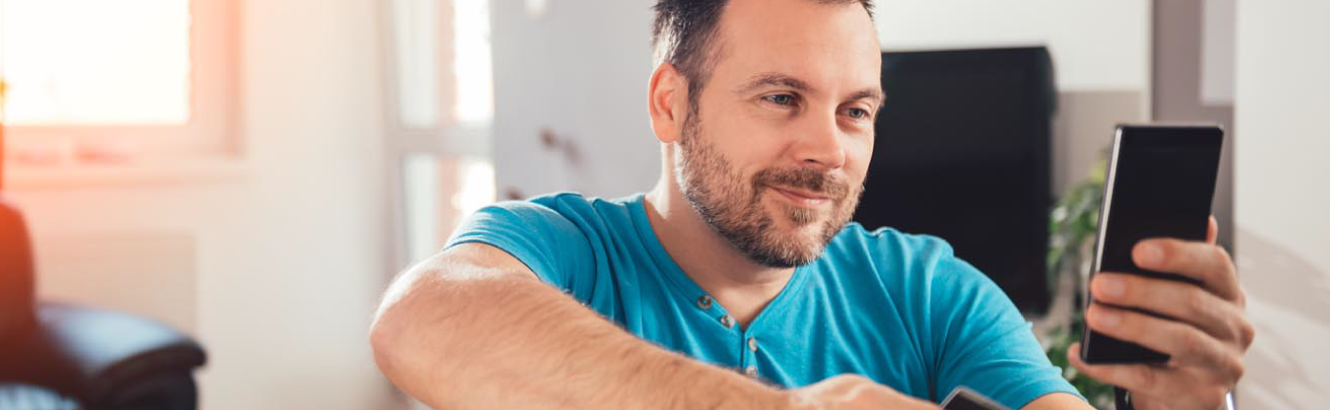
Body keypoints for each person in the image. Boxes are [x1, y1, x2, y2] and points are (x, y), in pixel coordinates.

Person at [369, 0, 1254, 408]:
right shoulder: (563, 251)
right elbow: (419, 320)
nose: (829, 148)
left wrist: (1187, 409)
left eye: (855, 111)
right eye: (780, 97)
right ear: (669, 102)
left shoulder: (926, 290)